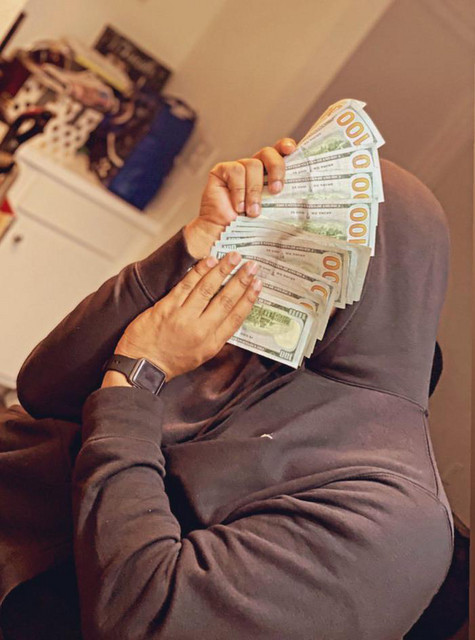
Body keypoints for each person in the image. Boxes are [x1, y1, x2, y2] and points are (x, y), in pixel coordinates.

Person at [0, 138, 453, 640]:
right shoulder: (263, 348)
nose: (272, 250)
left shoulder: (397, 516)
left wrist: (136, 377)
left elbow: (141, 618)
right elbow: (42, 389)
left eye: (304, 234)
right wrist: (195, 244)